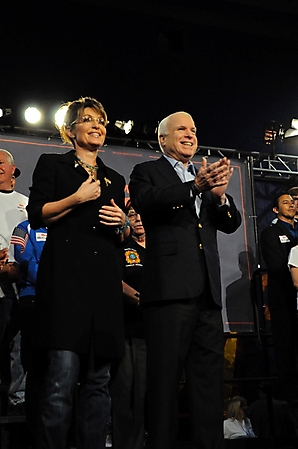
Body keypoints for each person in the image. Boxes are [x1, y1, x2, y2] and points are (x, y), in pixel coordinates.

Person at [129, 111, 242, 449]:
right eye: (181, 129)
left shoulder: (204, 178)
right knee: (164, 380)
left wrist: (220, 196)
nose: (190, 134)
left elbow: (230, 223)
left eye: (193, 129)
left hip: (206, 294)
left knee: (207, 381)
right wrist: (194, 186)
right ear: (162, 138)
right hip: (168, 291)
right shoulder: (147, 171)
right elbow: (147, 201)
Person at [26, 96, 130, 449]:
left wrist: (124, 225)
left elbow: (122, 235)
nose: (98, 125)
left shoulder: (115, 178)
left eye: (101, 120)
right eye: (88, 119)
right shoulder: (52, 165)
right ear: (70, 131)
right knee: (61, 383)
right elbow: (38, 214)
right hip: (65, 287)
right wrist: (77, 198)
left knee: (99, 385)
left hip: (103, 290)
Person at [110, 202, 147, 449]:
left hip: (157, 332)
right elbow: (117, 281)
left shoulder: (160, 248)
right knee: (126, 394)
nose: (139, 219)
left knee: (149, 395)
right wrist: (142, 299)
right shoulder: (123, 248)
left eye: (143, 215)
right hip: (129, 331)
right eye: (133, 215)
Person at [261, 192, 298, 402]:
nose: (291, 205)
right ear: (275, 210)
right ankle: (290, 395)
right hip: (284, 298)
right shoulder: (270, 233)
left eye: (292, 202)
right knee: (285, 347)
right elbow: (276, 266)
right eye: (285, 203)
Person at [11, 219, 47, 437]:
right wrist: (49, 281)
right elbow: (23, 257)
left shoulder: (60, 227)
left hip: (61, 302)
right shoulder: (24, 227)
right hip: (32, 299)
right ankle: (32, 428)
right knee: (34, 364)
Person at [0, 149, 28, 413]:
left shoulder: (26, 203)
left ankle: (17, 397)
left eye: (1, 163)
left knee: (18, 344)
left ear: (13, 170)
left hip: (20, 284)